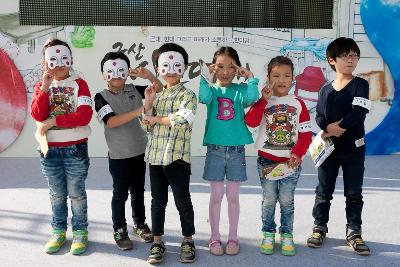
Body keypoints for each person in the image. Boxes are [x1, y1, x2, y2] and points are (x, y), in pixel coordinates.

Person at [306, 37, 371, 256]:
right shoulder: (325, 89)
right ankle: (319, 227)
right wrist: (326, 128)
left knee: (354, 193)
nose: (351, 59)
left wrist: (338, 127)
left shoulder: (361, 84)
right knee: (324, 191)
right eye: (346, 55)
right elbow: (320, 115)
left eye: (355, 55)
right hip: (329, 150)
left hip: (353, 149)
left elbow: (359, 113)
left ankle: (354, 231)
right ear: (332, 60)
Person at [245, 56, 312, 256]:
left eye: (286, 75)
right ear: (268, 78)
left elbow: (306, 133)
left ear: (293, 78)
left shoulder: (299, 103)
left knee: (286, 200)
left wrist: (298, 153)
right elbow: (251, 122)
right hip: (266, 160)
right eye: (276, 75)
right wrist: (263, 100)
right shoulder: (264, 101)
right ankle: (267, 232)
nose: (281, 80)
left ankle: (287, 234)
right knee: (268, 199)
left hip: (291, 162)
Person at [94, 52, 162, 250]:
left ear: (127, 72)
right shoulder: (100, 97)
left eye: (121, 70)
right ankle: (119, 228)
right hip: (119, 155)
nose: (116, 75)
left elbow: (159, 89)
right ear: (103, 74)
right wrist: (142, 109)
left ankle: (139, 223)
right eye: (110, 71)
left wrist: (148, 75)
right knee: (120, 193)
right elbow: (112, 122)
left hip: (140, 151)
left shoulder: (134, 89)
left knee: (138, 190)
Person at [30, 38, 92, 255]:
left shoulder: (80, 84)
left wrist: (54, 121)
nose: (59, 63)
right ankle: (58, 231)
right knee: (56, 193)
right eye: (53, 60)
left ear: (71, 59)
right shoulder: (41, 86)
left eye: (64, 58)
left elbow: (84, 116)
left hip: (75, 148)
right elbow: (37, 114)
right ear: (45, 63)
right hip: (49, 150)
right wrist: (45, 88)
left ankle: (80, 232)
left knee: (76, 193)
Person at [199, 46, 259, 256]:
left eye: (230, 67)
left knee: (233, 197)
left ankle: (233, 237)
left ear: (237, 69)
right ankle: (214, 237)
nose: (225, 72)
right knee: (216, 196)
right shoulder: (212, 90)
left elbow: (252, 98)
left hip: (236, 151)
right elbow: (203, 97)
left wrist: (250, 77)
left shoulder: (240, 91)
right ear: (214, 68)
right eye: (220, 66)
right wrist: (206, 75)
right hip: (215, 150)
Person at [142, 43, 197, 264]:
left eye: (177, 65)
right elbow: (146, 125)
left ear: (184, 68)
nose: (171, 69)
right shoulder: (156, 94)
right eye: (166, 65)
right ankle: (157, 241)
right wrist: (148, 103)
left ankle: (188, 240)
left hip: (178, 158)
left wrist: (155, 119)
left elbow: (182, 120)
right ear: (158, 68)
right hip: (155, 157)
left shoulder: (188, 95)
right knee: (157, 202)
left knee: (183, 201)